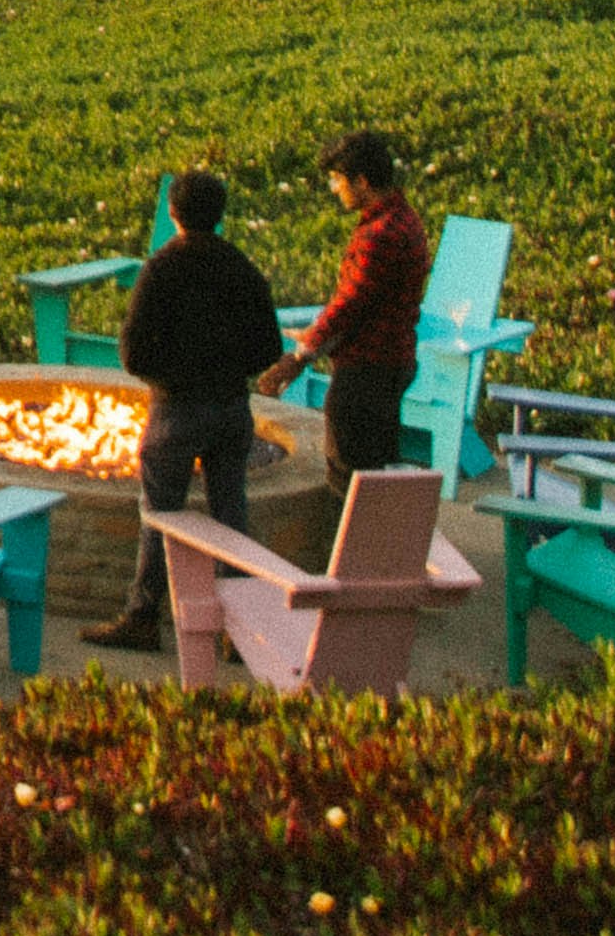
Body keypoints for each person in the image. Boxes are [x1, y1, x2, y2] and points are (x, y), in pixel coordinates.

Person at [86, 164, 280, 652]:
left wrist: (172, 379)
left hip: (176, 410)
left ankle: (143, 617)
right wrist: (228, 371)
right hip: (232, 409)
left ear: (172, 212)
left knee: (160, 514)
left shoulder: (163, 267)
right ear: (220, 215)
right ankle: (240, 628)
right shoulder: (241, 267)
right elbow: (269, 345)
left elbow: (132, 351)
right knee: (231, 514)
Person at [277, 128, 435, 473]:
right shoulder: (405, 218)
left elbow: (351, 303)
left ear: (361, 181)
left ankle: (352, 529)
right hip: (391, 361)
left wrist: (301, 355)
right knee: (377, 474)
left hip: (367, 371)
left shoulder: (380, 234)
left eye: (338, 180)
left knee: (347, 475)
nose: (336, 190)